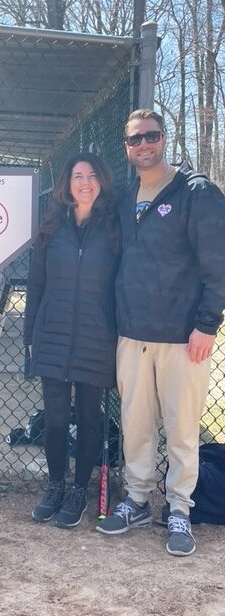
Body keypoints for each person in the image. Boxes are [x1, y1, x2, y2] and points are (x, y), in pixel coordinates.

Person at [96, 109, 225, 556]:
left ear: (164, 139)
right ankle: (136, 499)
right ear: (126, 147)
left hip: (183, 337)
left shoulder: (196, 192)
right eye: (134, 140)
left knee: (182, 428)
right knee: (136, 424)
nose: (143, 145)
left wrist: (207, 325)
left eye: (151, 136)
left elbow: (217, 266)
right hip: (132, 335)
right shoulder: (126, 193)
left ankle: (180, 509)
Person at [24, 152, 120, 528]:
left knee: (89, 418)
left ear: (102, 182)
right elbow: (35, 284)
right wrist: (31, 333)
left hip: (97, 338)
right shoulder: (50, 227)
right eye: (77, 176)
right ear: (66, 183)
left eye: (92, 176)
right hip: (52, 334)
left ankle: (80, 488)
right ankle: (55, 486)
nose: (84, 182)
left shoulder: (114, 227)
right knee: (56, 418)